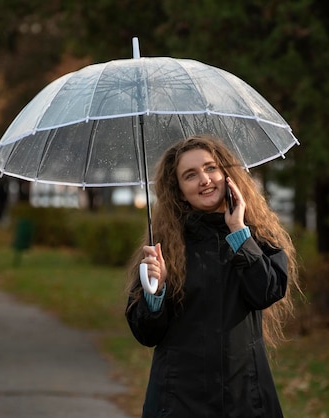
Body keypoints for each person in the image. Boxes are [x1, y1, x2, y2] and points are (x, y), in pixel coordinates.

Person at [125, 135, 299, 418]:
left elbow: (267, 291)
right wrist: (156, 291)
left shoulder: (255, 236)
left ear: (226, 175)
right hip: (179, 399)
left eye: (210, 168)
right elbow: (146, 333)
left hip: (245, 397)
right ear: (180, 191)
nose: (204, 180)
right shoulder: (163, 247)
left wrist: (239, 232)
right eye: (190, 175)